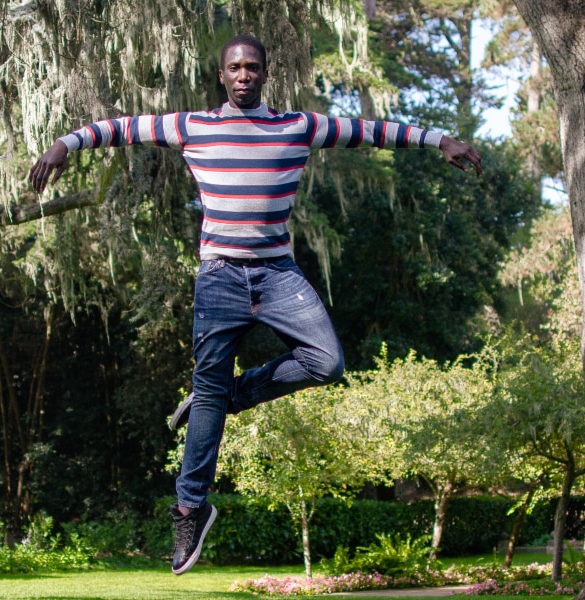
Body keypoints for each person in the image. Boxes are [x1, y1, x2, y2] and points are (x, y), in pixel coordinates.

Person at [29, 34, 483, 576]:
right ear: (222, 76)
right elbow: (122, 128)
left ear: (266, 74)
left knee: (327, 362)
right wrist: (65, 143)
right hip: (220, 277)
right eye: (234, 68)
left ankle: (213, 401)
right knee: (211, 386)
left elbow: (372, 131)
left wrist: (440, 140)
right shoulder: (193, 126)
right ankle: (191, 509)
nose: (243, 74)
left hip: (278, 275)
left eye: (252, 67)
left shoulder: (298, 127)